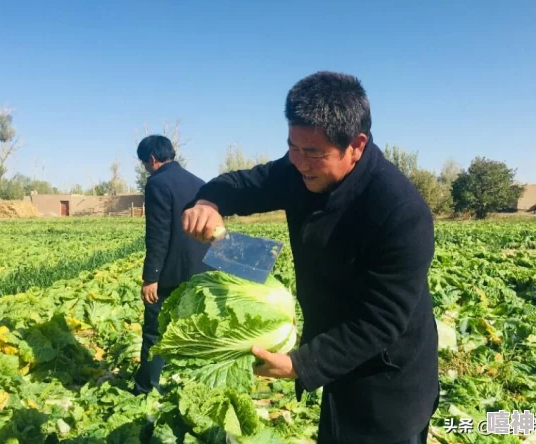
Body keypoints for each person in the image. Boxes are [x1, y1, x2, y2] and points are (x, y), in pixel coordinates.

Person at [181, 71, 439, 443]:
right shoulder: (299, 169)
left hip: (387, 377)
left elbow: (381, 321)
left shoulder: (400, 212)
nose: (299, 163)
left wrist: (300, 365)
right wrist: (208, 202)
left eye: (313, 153)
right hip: (335, 359)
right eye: (292, 147)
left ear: (357, 145)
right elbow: (244, 184)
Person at [133, 134, 210, 396]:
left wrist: (151, 277)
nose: (145, 168)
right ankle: (198, 388)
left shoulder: (157, 183)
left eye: (144, 163)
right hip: (204, 271)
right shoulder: (199, 183)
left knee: (155, 332)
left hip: (172, 274)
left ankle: (146, 389)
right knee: (199, 331)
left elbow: (158, 234)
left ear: (152, 160)